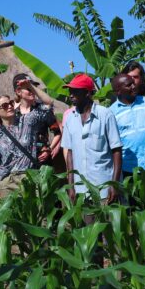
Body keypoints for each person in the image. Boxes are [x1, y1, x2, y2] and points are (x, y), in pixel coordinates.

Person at [61, 74, 122, 204]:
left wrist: (114, 184)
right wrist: (71, 186)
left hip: (104, 188)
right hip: (81, 191)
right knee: (87, 223)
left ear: (87, 93)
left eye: (75, 91)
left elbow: (117, 151)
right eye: (70, 91)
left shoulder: (105, 115)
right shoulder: (70, 119)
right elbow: (70, 154)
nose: (71, 95)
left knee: (107, 223)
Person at [109, 74, 145, 185]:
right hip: (128, 169)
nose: (134, 86)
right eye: (129, 85)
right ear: (118, 91)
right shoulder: (111, 113)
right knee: (134, 201)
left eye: (133, 82)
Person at [0, 95, 36, 198]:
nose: (9, 106)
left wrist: (30, 88)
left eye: (11, 103)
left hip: (31, 177)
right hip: (8, 183)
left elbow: (48, 105)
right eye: (5, 105)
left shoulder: (27, 121)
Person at [13, 73, 62, 167]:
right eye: (28, 88)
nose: (32, 91)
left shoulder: (43, 110)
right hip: (20, 165)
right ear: (18, 91)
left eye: (33, 87)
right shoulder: (13, 114)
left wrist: (49, 149)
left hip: (42, 163)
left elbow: (57, 133)